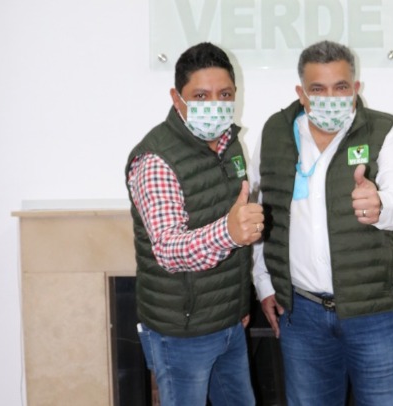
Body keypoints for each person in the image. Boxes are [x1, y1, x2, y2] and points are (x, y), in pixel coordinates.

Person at [252, 40, 393, 405]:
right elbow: (259, 210)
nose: (330, 98)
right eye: (318, 89)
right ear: (301, 93)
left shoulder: (387, 131)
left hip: (374, 312)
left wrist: (380, 205)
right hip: (302, 314)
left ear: (356, 88)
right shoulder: (276, 133)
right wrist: (264, 282)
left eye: (341, 87)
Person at [125, 42, 262, 406]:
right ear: (177, 98)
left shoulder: (231, 145)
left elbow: (237, 238)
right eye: (201, 95)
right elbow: (169, 249)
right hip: (181, 332)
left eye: (225, 94)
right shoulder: (156, 159)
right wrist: (229, 231)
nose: (215, 104)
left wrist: (239, 304)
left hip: (229, 321)